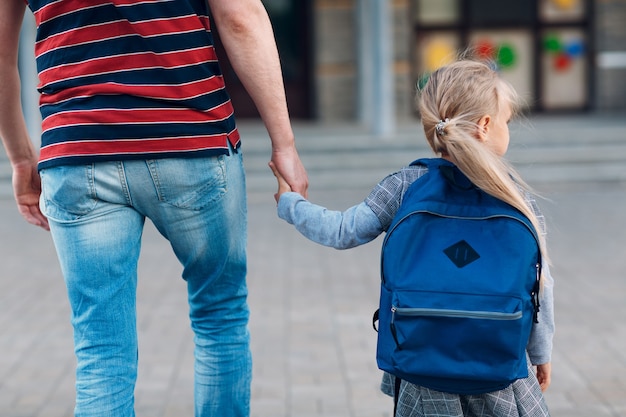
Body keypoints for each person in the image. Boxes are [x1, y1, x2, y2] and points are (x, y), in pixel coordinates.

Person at [0, 0, 308, 416]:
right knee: (220, 317)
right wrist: (284, 144)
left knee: (101, 349)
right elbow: (239, 16)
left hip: (79, 151)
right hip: (190, 141)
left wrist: (21, 158)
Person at [270, 58, 554, 417]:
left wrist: (290, 203)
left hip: (422, 366)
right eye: (507, 121)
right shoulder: (513, 196)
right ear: (485, 125)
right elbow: (542, 285)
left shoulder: (407, 184)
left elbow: (341, 231)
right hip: (501, 365)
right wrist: (540, 354)